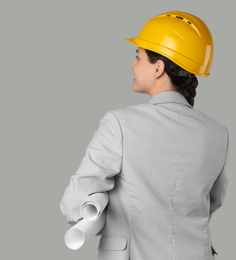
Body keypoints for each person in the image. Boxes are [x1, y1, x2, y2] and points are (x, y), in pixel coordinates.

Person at [60, 10, 229, 260]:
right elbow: (212, 202)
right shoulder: (218, 133)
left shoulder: (119, 123)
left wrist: (108, 207)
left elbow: (74, 206)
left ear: (158, 67)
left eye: (138, 56)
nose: (132, 64)